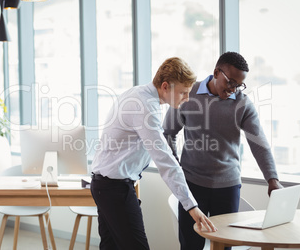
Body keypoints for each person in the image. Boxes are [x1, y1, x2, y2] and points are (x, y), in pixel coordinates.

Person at [90, 57, 217, 250]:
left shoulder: (138, 94)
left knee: (110, 246)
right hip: (114, 189)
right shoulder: (145, 107)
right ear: (165, 86)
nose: (187, 98)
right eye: (183, 92)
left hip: (104, 186)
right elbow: (164, 160)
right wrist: (191, 206)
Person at [163, 51, 283, 250]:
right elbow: (167, 134)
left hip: (227, 188)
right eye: (230, 82)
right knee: (190, 246)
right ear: (216, 72)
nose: (233, 89)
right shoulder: (187, 94)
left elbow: (259, 143)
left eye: (238, 85)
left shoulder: (243, 104)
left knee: (225, 246)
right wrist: (177, 168)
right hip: (191, 185)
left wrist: (272, 179)